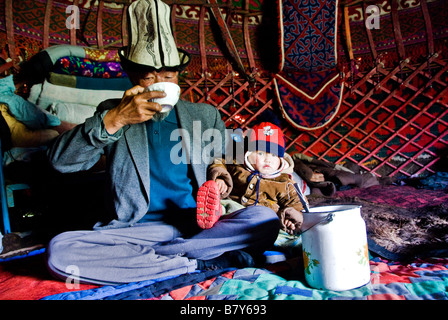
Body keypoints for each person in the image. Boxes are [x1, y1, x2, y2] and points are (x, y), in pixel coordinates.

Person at [45, 0, 279, 285]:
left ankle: (156, 261)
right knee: (60, 251)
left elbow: (222, 163)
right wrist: (116, 119)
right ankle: (195, 262)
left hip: (196, 226)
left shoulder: (204, 115)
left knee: (264, 218)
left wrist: (218, 177)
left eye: (168, 75)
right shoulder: (113, 111)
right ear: (131, 74)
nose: (160, 83)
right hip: (135, 230)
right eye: (148, 76)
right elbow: (60, 162)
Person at [196, 122, 304, 234]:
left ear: (281, 159)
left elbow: (296, 203)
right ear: (248, 154)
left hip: (261, 221)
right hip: (233, 210)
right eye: (261, 153)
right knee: (226, 205)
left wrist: (291, 218)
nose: (268, 159)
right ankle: (211, 212)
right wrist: (221, 178)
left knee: (274, 224)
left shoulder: (285, 183)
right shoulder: (237, 166)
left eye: (273, 155)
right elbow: (219, 162)